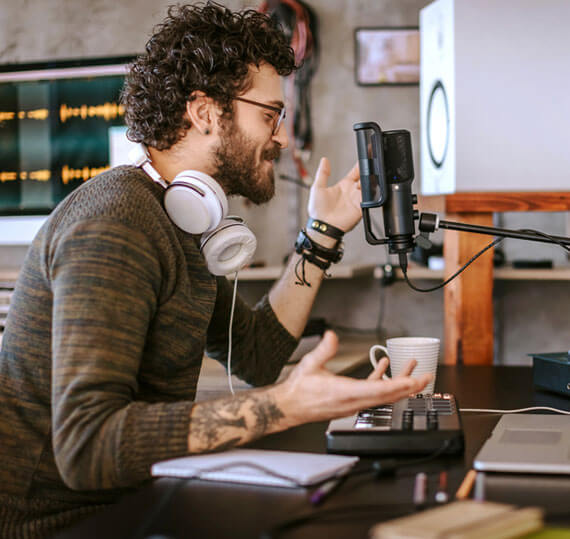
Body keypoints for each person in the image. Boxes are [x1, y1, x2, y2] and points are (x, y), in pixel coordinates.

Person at [0, 3, 431, 537]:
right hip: (59, 526)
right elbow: (87, 448)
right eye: (270, 115)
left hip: (134, 502)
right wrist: (284, 407)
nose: (281, 137)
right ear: (205, 112)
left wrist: (323, 232)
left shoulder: (183, 224)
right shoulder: (115, 224)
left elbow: (258, 353)